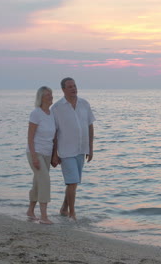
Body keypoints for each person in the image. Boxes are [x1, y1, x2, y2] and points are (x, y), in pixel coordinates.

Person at [51, 77, 95, 221]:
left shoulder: (84, 104)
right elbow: (54, 133)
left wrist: (91, 148)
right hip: (66, 150)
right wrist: (54, 154)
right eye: (69, 87)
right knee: (73, 182)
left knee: (73, 183)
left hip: (81, 149)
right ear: (63, 89)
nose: (73, 89)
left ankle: (64, 208)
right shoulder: (57, 108)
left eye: (74, 86)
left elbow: (90, 125)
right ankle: (72, 213)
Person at [26, 86, 55, 225]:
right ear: (41, 98)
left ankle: (30, 211)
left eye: (51, 94)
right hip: (35, 152)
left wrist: (55, 155)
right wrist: (34, 156)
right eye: (47, 95)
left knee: (38, 182)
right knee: (45, 180)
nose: (51, 97)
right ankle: (44, 216)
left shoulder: (51, 114)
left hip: (47, 153)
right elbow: (30, 137)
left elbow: (54, 137)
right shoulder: (36, 113)